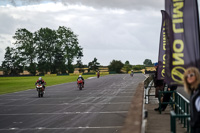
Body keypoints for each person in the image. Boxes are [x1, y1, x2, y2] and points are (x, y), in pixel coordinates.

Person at [183, 67, 200, 133]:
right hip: (195, 126)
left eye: (191, 75)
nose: (189, 77)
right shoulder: (194, 91)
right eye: (187, 76)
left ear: (197, 76)